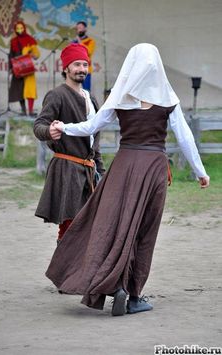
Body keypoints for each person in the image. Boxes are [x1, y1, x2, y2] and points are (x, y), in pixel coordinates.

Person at [45, 43, 210, 316]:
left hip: (123, 166)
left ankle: (116, 286)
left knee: (115, 226)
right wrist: (200, 172)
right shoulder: (168, 99)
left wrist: (63, 127)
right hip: (153, 168)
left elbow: (91, 127)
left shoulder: (121, 97)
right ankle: (134, 296)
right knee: (144, 231)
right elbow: (185, 138)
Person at [33, 43, 105, 244]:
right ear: (66, 68)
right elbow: (39, 125)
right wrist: (49, 131)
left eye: (85, 64)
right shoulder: (57, 95)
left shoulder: (91, 99)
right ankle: (64, 271)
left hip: (89, 171)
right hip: (67, 170)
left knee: (89, 226)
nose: (82, 69)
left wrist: (101, 171)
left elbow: (94, 141)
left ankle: (78, 272)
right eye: (76, 65)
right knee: (70, 228)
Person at [9, 20, 40, 116]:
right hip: (17, 68)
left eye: (21, 28)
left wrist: (33, 55)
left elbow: (37, 54)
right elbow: (11, 55)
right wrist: (11, 68)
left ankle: (30, 111)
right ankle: (23, 111)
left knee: (30, 90)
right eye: (17, 28)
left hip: (27, 67)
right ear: (15, 30)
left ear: (24, 28)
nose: (19, 30)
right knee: (19, 90)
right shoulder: (13, 41)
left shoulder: (30, 40)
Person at [72, 21, 96, 91]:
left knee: (86, 90)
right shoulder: (74, 42)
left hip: (86, 69)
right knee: (74, 90)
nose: (79, 30)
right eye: (78, 28)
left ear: (85, 29)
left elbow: (89, 52)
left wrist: (79, 42)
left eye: (81, 28)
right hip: (75, 69)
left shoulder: (90, 41)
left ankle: (87, 102)